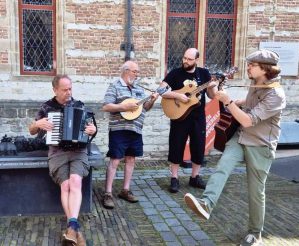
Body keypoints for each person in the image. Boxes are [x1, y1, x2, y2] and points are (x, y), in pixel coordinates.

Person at [184, 49, 286, 246]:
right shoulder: (255, 84)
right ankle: (206, 203)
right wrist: (231, 99)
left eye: (252, 65)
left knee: (256, 192)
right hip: (241, 138)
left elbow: (248, 120)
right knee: (222, 166)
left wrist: (228, 102)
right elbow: (247, 105)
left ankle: (255, 234)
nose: (248, 67)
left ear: (265, 69)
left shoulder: (276, 94)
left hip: (261, 145)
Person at [29, 75, 97, 246]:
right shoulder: (47, 107)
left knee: (75, 181)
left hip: (78, 151)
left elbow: (91, 128)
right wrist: (38, 125)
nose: (69, 92)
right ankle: (74, 228)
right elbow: (31, 130)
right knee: (65, 185)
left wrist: (92, 129)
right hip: (57, 152)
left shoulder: (79, 105)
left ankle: (71, 228)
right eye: (65, 89)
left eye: (70, 89)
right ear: (55, 90)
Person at [160, 48, 218, 193]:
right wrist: (178, 96)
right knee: (176, 145)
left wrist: (213, 86)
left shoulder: (204, 74)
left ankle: (195, 177)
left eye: (189, 59)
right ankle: (174, 178)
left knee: (198, 146)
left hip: (198, 117)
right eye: (184, 58)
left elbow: (211, 96)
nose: (185, 61)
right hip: (179, 116)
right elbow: (161, 91)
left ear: (196, 60)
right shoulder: (175, 73)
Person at [102, 60, 159, 209]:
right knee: (115, 160)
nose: (137, 74)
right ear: (126, 71)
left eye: (137, 72)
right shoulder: (114, 86)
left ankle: (125, 190)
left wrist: (152, 100)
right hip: (118, 129)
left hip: (135, 129)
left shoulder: (139, 89)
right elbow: (106, 106)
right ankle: (107, 193)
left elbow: (145, 108)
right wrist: (123, 106)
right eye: (135, 71)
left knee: (131, 159)